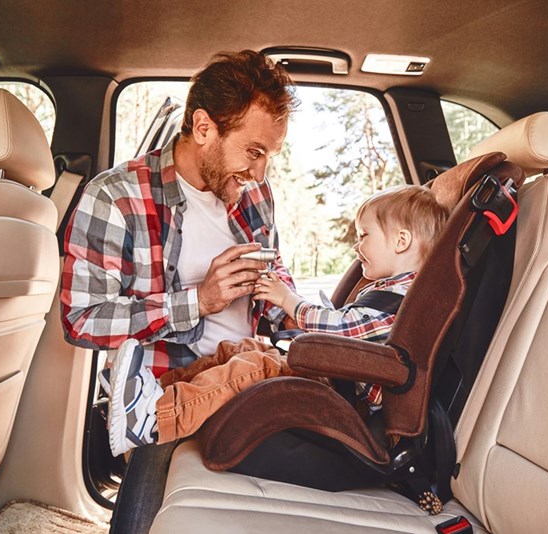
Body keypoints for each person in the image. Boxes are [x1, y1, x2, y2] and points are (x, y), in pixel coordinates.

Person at [60, 50, 298, 531]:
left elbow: (274, 275)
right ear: (204, 127)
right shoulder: (116, 196)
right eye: (254, 152)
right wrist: (199, 301)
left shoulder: (255, 195)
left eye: (270, 157)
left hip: (249, 377)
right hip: (172, 394)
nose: (260, 175)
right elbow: (81, 319)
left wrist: (296, 311)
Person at [107, 184, 450, 450]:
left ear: (402, 241)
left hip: (349, 399)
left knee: (258, 366)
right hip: (339, 376)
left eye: (364, 235)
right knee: (238, 349)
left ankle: (157, 419)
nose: (356, 246)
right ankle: (151, 393)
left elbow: (342, 329)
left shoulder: (401, 299)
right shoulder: (390, 290)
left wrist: (289, 301)